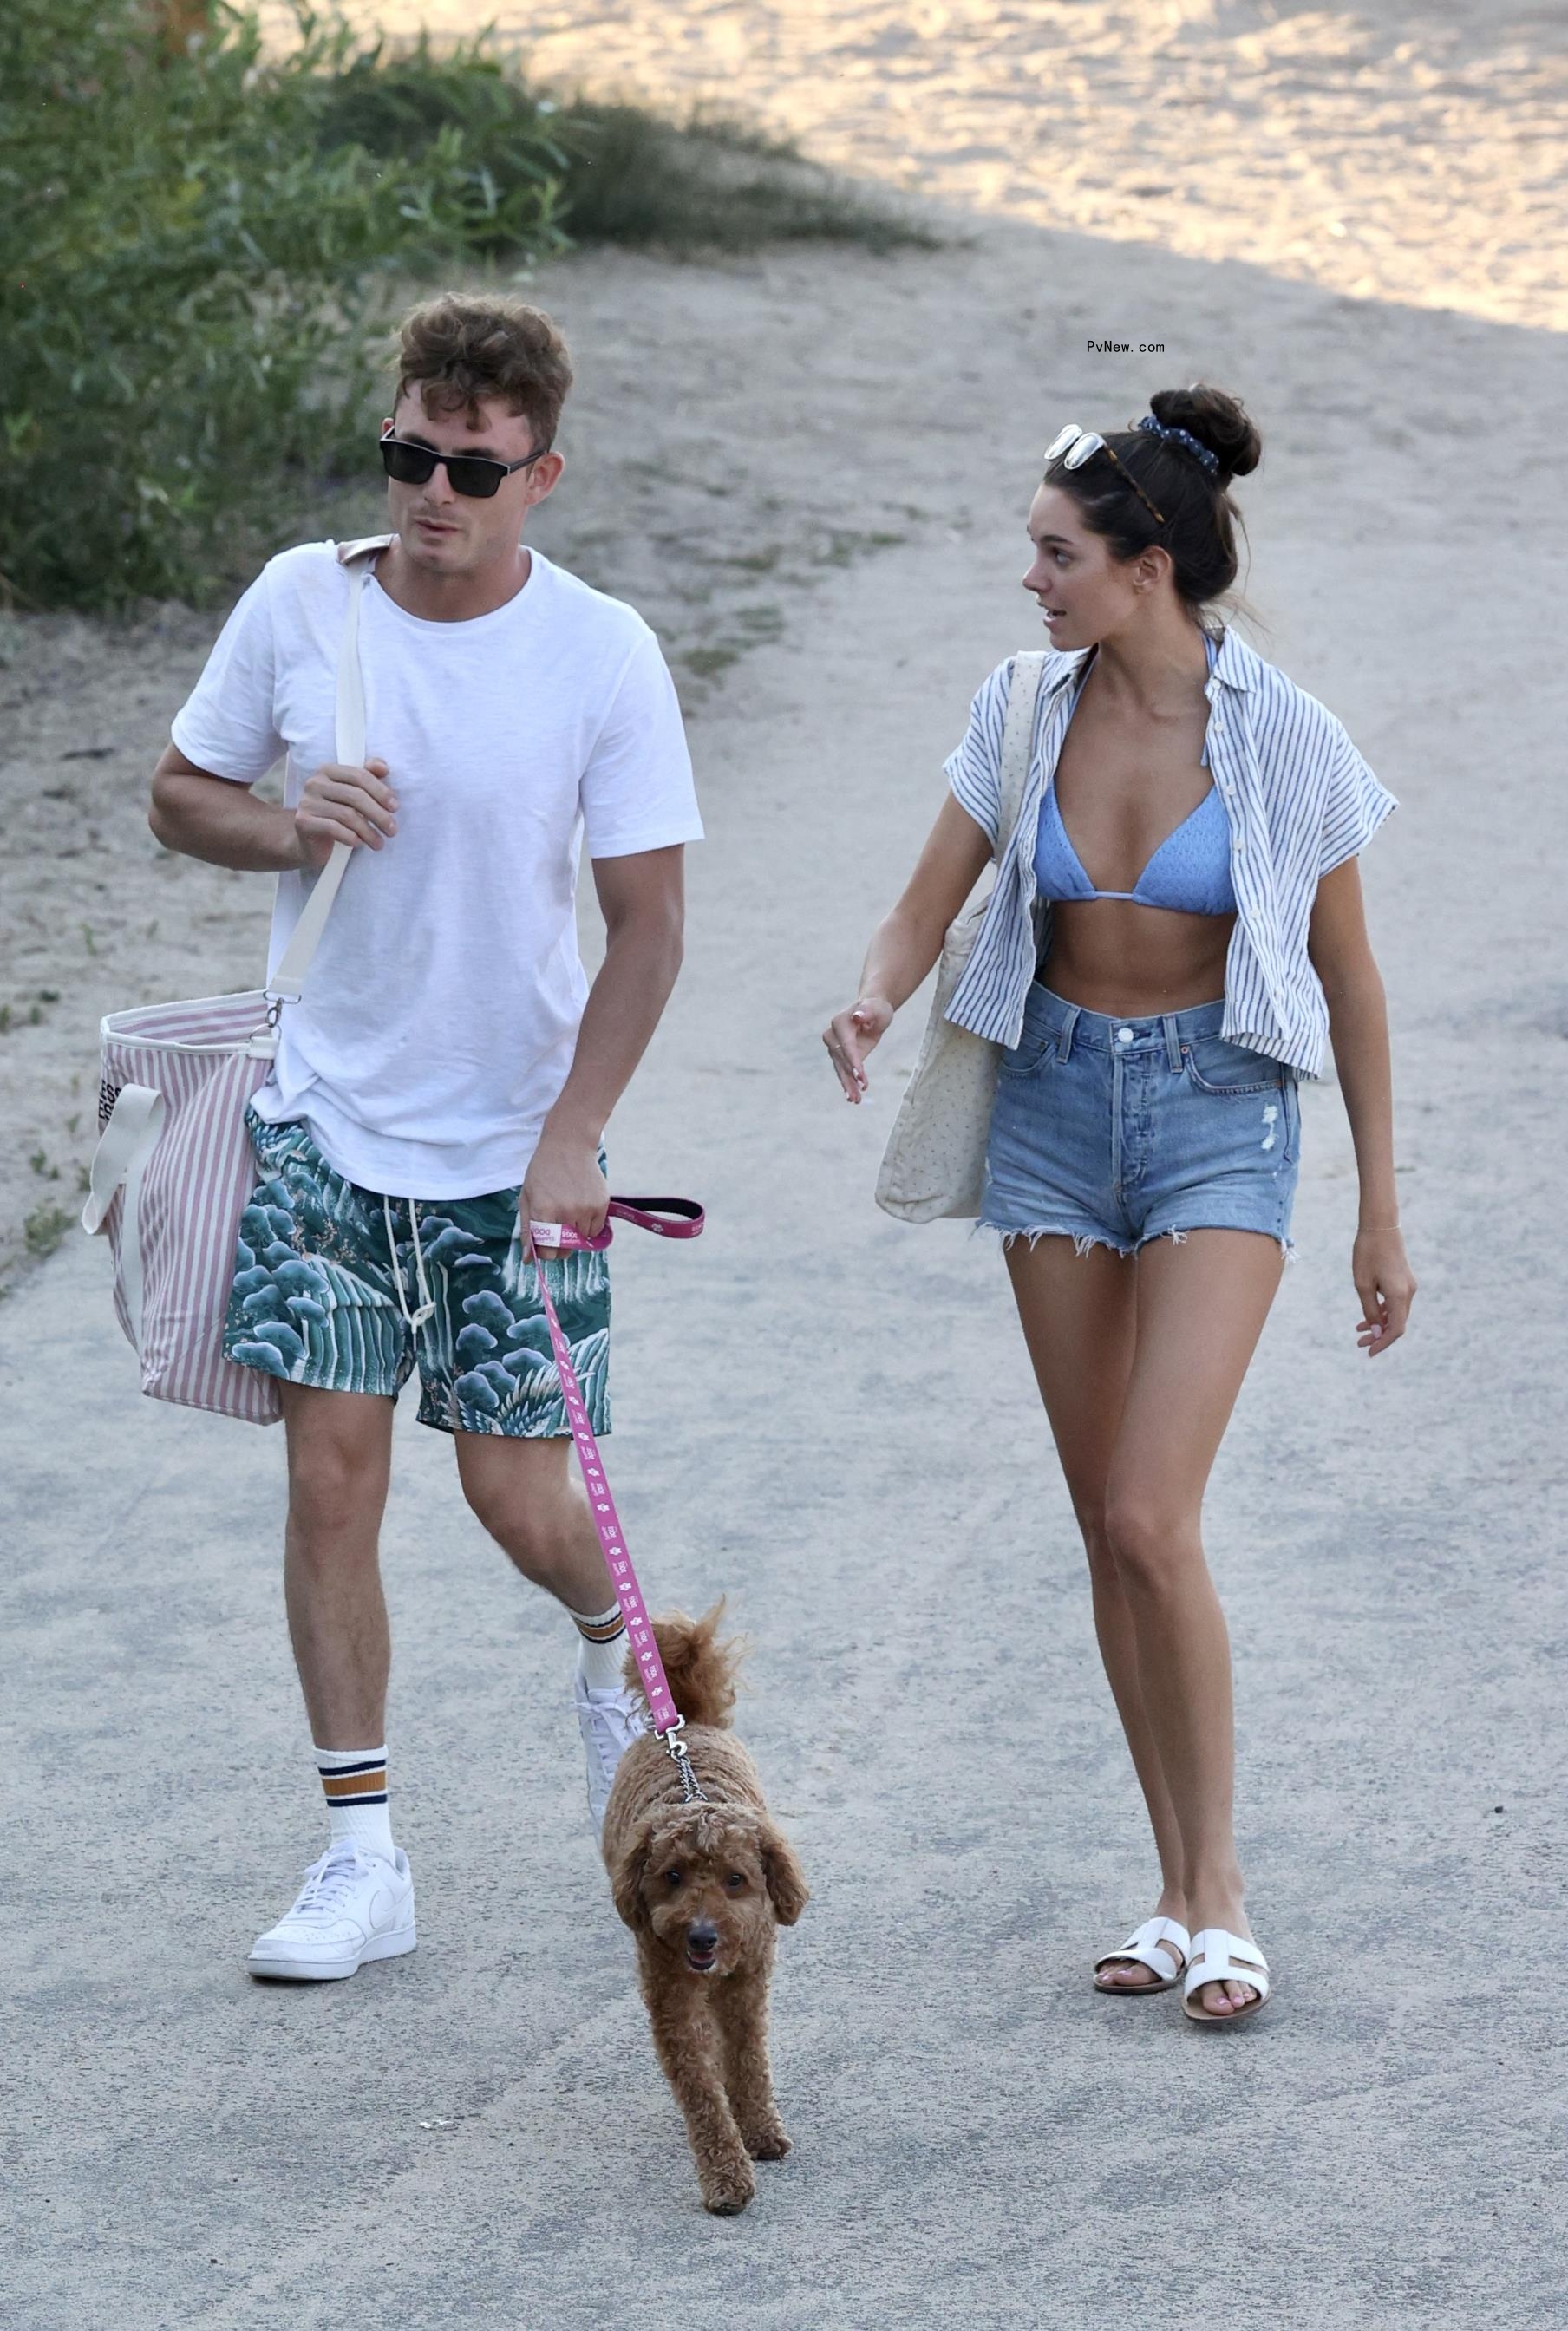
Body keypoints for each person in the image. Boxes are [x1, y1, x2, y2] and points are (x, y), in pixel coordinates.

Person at [824, 386, 1415, 2024]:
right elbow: (920, 910)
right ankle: (1166, 1890)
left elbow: (1352, 984)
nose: (1033, 579)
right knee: (1107, 1525)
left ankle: (1223, 1890)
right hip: (1055, 1122)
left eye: (1058, 553)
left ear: (1149, 565)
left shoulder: (1285, 733)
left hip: (1222, 1117)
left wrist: (1379, 1208)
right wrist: (873, 998)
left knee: (1155, 1511)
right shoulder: (1023, 709)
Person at [148, 293, 702, 1981]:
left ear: (542, 473)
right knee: (330, 1482)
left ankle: (617, 1655)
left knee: (521, 1502)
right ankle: (359, 1854)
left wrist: (575, 1136)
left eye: (471, 468)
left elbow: (651, 926)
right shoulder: (300, 608)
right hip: (327, 1122)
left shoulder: (600, 651)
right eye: (409, 456)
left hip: (517, 1150)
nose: (431, 494)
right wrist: (282, 822)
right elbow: (180, 792)